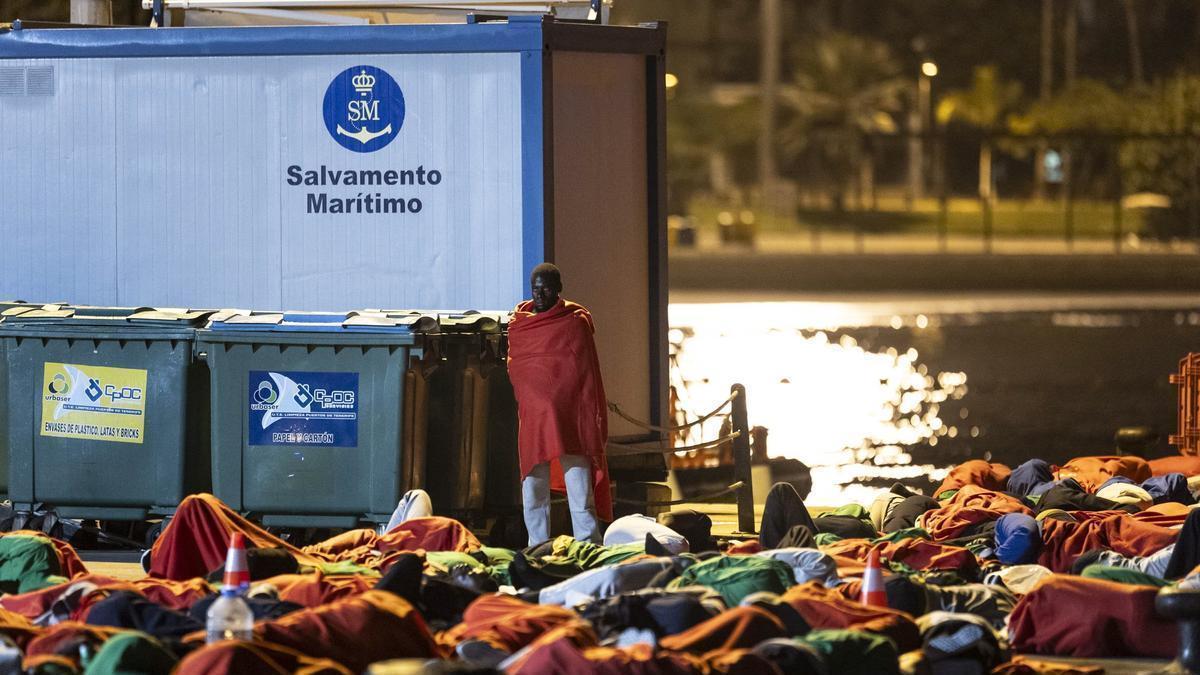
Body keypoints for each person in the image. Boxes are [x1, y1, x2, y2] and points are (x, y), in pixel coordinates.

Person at [507, 263, 612, 546]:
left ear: (559, 289)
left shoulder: (574, 322)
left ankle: (588, 545)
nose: (540, 294)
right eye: (536, 288)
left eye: (547, 288)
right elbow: (519, 371)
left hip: (570, 418)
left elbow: (584, 374)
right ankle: (537, 547)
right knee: (533, 490)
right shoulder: (519, 326)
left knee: (579, 488)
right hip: (533, 419)